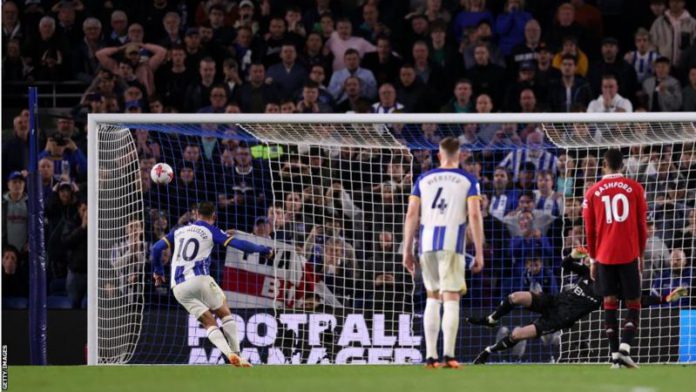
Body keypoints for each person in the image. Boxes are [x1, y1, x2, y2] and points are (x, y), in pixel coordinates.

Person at [469, 247, 687, 364]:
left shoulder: (614, 292)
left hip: (560, 318)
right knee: (515, 296)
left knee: (517, 334)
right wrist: (573, 254)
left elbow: (642, 301)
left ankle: (488, 351)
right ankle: (491, 320)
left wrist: (666, 299)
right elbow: (565, 264)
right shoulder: (590, 273)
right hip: (553, 300)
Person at [151, 201, 274, 367]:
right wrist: (263, 249)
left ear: (196, 215)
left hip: (178, 287)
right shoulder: (210, 230)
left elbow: (156, 249)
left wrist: (158, 272)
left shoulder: (178, 230)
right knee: (224, 313)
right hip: (200, 279)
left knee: (208, 322)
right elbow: (239, 244)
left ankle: (229, 354)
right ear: (214, 216)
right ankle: (236, 352)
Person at [403, 137, 484, 368]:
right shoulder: (468, 180)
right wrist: (479, 251)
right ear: (460, 155)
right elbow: (475, 216)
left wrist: (406, 250)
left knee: (432, 296)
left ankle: (430, 356)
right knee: (450, 297)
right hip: (451, 245)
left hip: (426, 245)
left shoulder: (424, 179)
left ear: (439, 155)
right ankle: (448, 355)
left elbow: (411, 215)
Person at [582, 149, 648, 368]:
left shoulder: (592, 192)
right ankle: (625, 348)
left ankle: (614, 358)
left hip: (604, 256)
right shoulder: (636, 188)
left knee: (609, 303)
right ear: (623, 165)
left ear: (604, 164)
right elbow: (642, 226)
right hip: (629, 253)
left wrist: (592, 260)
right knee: (634, 303)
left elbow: (589, 231)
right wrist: (641, 255)